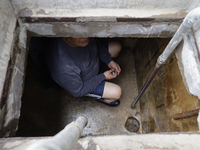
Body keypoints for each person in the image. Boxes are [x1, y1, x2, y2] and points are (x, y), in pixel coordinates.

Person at [46, 37, 122, 107]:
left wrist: (109, 61)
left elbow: (97, 45)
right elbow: (79, 91)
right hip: (86, 82)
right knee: (117, 92)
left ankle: (100, 71)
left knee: (116, 46)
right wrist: (103, 76)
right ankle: (102, 98)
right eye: (79, 35)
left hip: (91, 63)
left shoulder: (82, 37)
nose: (86, 37)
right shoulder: (62, 67)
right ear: (65, 36)